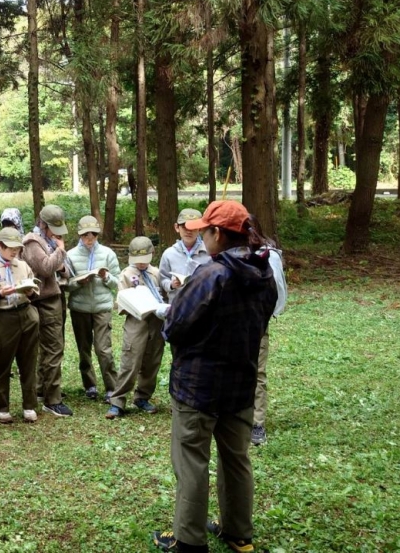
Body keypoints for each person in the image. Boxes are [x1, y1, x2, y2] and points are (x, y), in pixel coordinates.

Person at [151, 200, 278, 553]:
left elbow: (175, 325)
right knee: (236, 458)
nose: (202, 237)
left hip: (198, 387)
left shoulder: (210, 275)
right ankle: (239, 532)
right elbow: (261, 323)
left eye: (205, 231)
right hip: (241, 384)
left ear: (217, 234)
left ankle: (189, 541)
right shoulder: (264, 273)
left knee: (192, 460)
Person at [0, 227, 40, 424]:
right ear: (0, 246)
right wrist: (0, 294)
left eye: (17, 248)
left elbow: (34, 292)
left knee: (29, 362)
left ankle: (29, 405)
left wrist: (30, 291)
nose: (14, 252)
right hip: (4, 318)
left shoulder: (22, 265)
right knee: (2, 364)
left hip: (27, 314)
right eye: (10, 248)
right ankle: (2, 407)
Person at [21, 204, 73, 417]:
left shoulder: (48, 240)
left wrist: (60, 259)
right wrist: (60, 250)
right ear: (42, 224)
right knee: (52, 348)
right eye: (53, 228)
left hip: (55, 298)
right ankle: (52, 399)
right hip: (43, 301)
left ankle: (44, 389)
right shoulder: (33, 242)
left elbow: (65, 269)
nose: (58, 234)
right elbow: (46, 267)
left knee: (52, 348)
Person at [106, 236, 166, 419]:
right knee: (130, 360)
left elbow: (164, 294)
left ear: (152, 255)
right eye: (137, 261)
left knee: (152, 360)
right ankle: (117, 401)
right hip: (136, 321)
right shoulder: (125, 274)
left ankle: (142, 396)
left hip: (156, 321)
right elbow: (121, 301)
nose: (141, 264)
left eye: (144, 260)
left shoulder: (157, 273)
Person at [64, 215, 121, 402]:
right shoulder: (70, 255)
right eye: (85, 234)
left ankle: (112, 388)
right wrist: (80, 282)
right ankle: (90, 385)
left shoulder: (107, 254)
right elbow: (66, 285)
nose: (90, 238)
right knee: (84, 348)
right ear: (79, 235)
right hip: (79, 308)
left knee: (104, 349)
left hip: (102, 307)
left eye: (93, 234)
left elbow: (117, 282)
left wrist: (106, 277)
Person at [253, 240, 288, 446]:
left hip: (257, 323)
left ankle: (257, 423)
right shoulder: (225, 252)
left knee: (257, 372)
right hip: (230, 324)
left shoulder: (267, 256)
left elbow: (275, 293)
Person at [159, 208, 212, 303]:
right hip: (177, 306)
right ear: (176, 227)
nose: (188, 231)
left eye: (193, 228)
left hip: (202, 306)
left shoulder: (209, 252)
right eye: (184, 227)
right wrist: (171, 285)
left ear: (200, 229)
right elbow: (163, 279)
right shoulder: (169, 254)